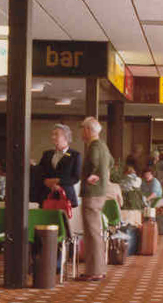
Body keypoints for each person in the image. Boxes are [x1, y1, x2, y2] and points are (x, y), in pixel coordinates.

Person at [79, 117, 113, 282]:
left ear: (88, 130)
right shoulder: (104, 146)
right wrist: (102, 176)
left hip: (92, 194)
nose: (81, 132)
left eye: (82, 129)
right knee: (96, 233)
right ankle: (98, 269)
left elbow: (94, 162)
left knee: (91, 234)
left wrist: (90, 177)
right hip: (101, 193)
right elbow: (111, 163)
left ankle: (94, 271)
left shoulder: (93, 147)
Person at [38, 123, 81, 208]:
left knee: (63, 221)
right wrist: (47, 182)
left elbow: (75, 178)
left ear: (65, 137)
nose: (53, 137)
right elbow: (40, 172)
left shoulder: (75, 155)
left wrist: (58, 181)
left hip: (66, 198)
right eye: (52, 134)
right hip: (47, 196)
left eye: (56, 134)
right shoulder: (47, 154)